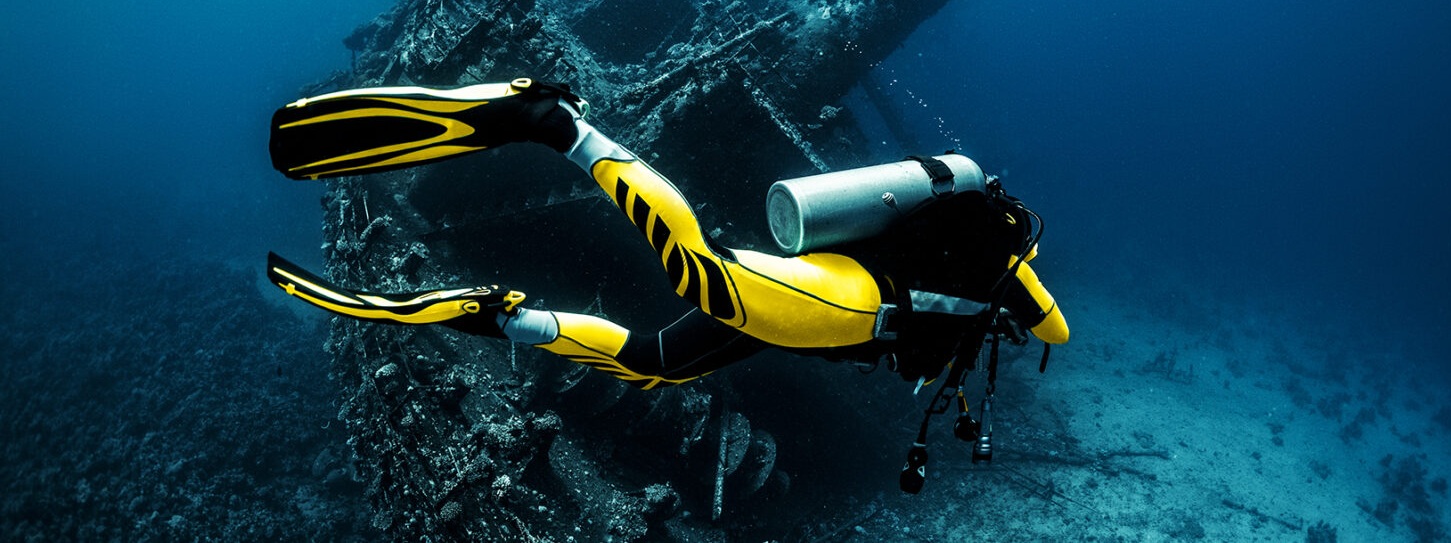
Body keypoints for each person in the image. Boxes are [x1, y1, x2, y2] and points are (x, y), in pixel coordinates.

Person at [265, 79, 1068, 491]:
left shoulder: (988, 251)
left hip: (827, 317)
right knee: (703, 272)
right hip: (845, 307)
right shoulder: (1011, 275)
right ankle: (555, 124)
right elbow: (1054, 331)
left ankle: (504, 318)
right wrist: (1024, 294)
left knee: (654, 361)